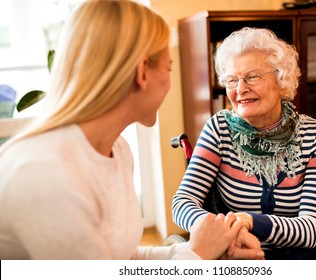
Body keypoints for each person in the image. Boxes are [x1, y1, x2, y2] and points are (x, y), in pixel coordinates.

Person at [0, 0, 264, 260]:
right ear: (143, 73)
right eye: (169, 68)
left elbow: (121, 259)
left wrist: (206, 248)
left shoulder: (117, 150)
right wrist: (198, 255)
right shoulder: (44, 172)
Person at [172, 27, 316, 260]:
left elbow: (312, 229)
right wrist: (219, 229)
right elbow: (182, 202)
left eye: (252, 76)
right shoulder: (219, 128)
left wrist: (250, 221)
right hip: (245, 248)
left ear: (282, 79)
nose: (240, 89)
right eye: (232, 80)